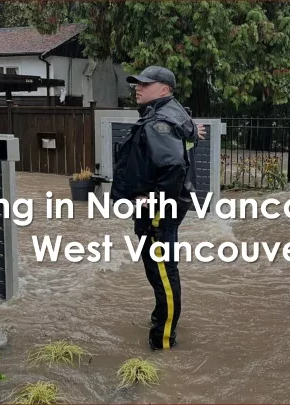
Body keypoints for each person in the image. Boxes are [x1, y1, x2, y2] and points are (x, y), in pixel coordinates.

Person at [111, 65, 203, 350]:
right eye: (137, 83)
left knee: (162, 271)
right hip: (167, 205)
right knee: (161, 269)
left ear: (164, 89)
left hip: (160, 211)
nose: (138, 88)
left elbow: (173, 165)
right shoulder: (174, 114)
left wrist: (156, 202)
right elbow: (183, 147)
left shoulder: (160, 120)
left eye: (145, 84)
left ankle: (163, 340)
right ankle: (161, 318)